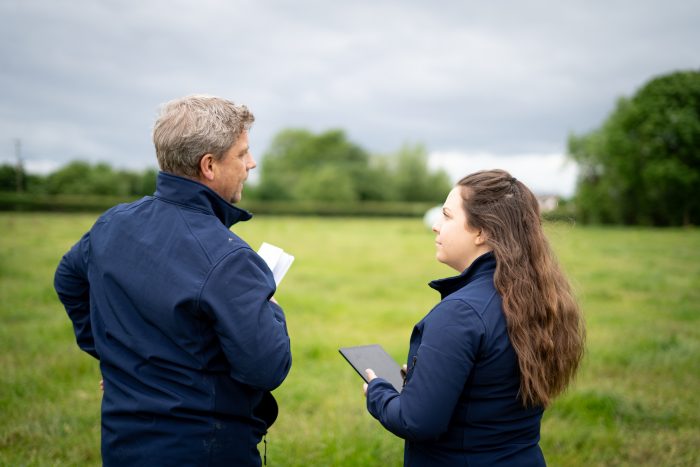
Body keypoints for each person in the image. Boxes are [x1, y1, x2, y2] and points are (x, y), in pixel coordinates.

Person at [54, 95, 292, 466]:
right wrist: (271, 310)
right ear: (209, 165)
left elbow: (67, 280)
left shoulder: (111, 224)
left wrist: (111, 355)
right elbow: (267, 367)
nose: (251, 163)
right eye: (242, 153)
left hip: (122, 445)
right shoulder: (229, 258)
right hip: (206, 449)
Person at [363, 169, 585, 466]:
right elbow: (491, 391)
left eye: (447, 216)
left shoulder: (460, 313)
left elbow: (417, 421)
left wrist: (379, 391)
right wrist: (426, 378)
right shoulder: (536, 297)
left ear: (482, 232)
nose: (436, 227)